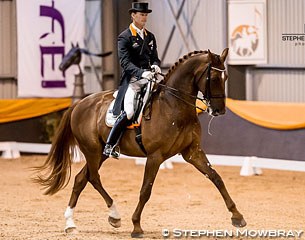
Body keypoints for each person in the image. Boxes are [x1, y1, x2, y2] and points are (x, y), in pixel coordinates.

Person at [103, 2, 161, 158]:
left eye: (146, 15)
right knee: (128, 112)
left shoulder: (150, 36)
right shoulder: (125, 37)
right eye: (141, 15)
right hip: (132, 80)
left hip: (150, 78)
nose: (144, 18)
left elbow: (155, 58)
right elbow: (125, 63)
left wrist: (155, 66)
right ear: (133, 15)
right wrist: (142, 73)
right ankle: (110, 144)